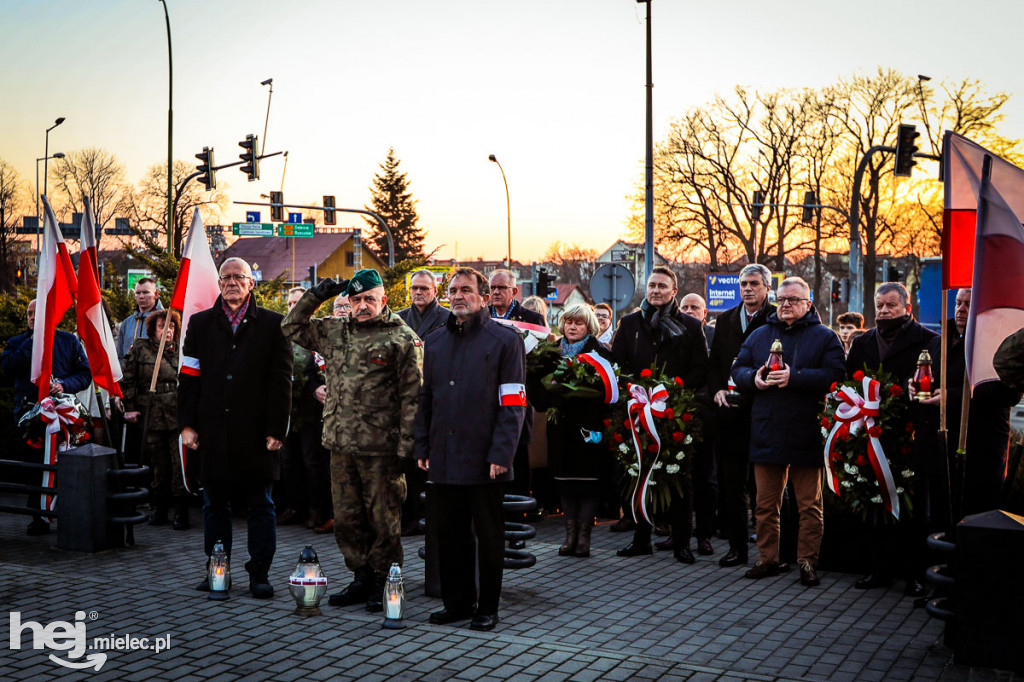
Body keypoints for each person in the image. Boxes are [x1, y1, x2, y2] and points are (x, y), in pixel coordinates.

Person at [283, 268, 423, 613]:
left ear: (383, 300)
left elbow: (413, 397)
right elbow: (290, 327)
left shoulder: (402, 338)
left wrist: (408, 447)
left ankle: (384, 581)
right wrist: (317, 295)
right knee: (347, 519)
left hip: (381, 448)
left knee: (384, 519)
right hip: (341, 443)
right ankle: (360, 576)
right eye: (356, 299)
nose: (362, 306)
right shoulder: (334, 330)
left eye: (369, 299)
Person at [416, 267, 526, 632]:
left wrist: (501, 454)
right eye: (453, 290)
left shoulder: (505, 341)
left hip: (485, 457)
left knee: (489, 536)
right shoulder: (433, 342)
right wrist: (422, 445)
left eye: (466, 290)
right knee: (449, 535)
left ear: (482, 297)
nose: (458, 296)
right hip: (444, 455)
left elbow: (513, 404)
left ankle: (487, 607)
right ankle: (457, 603)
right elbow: (425, 399)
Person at [178, 257, 292, 599]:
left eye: (238, 277)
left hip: (257, 434)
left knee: (261, 505)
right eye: (225, 277)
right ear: (219, 282)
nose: (231, 282)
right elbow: (188, 379)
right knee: (214, 506)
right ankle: (218, 571)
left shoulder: (274, 324)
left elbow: (282, 381)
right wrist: (186, 425)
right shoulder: (199, 325)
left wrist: (277, 429)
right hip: (212, 432)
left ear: (251, 283)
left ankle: (260, 574)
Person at [732, 276, 845, 587]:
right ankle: (768, 558)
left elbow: (835, 374)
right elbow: (737, 368)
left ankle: (808, 561)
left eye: (793, 300)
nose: (785, 305)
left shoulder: (825, 337)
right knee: (765, 505)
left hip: (806, 430)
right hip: (766, 429)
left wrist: (793, 377)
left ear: (808, 303)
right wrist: (753, 377)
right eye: (781, 299)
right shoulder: (759, 334)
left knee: (809, 504)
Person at [845, 282, 941, 596]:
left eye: (891, 306)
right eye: (880, 307)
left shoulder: (929, 341)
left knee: (912, 508)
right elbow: (850, 382)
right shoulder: (863, 342)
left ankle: (913, 573)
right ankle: (879, 569)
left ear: (907, 309)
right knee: (875, 502)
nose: (885, 312)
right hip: (871, 434)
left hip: (911, 434)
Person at [611, 266, 708, 563]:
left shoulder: (690, 327)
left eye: (662, 286)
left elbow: (700, 369)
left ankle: (682, 543)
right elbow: (618, 364)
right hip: (638, 410)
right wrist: (636, 388)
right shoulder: (629, 324)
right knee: (638, 473)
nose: (655, 291)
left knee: (679, 478)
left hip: (675, 413)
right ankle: (641, 539)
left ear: (673, 291)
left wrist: (673, 392)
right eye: (651, 285)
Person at [0, 299, 92, 535]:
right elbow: (7, 367)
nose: (32, 317)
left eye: (37, 313)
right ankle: (37, 517)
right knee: (34, 467)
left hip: (62, 416)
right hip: (31, 415)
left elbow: (84, 374)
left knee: (64, 466)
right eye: (29, 314)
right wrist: (32, 344)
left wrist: (64, 385)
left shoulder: (68, 341)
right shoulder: (18, 342)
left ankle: (65, 514)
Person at [706, 264, 776, 568]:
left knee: (766, 487)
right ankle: (737, 547)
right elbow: (715, 363)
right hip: (731, 414)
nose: (747, 289)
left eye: (754, 284)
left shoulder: (777, 318)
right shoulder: (726, 320)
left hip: (766, 414)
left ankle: (770, 550)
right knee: (732, 484)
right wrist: (717, 390)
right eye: (743, 283)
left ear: (767, 288)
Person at [938, 289, 1021, 517]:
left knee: (979, 512)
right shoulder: (943, 339)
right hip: (949, 440)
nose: (961, 309)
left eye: (967, 304)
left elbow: (1008, 392)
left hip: (983, 444)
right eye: (957, 303)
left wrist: (953, 396)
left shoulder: (997, 343)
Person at [544, 304, 612, 559]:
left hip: (588, 426)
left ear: (589, 327)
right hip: (560, 426)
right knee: (565, 482)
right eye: (569, 322)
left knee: (587, 483)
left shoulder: (599, 352)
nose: (572, 327)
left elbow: (608, 390)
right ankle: (569, 535)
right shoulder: (550, 352)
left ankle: (584, 538)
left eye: (579, 323)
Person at [121, 310, 188, 529]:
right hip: (151, 413)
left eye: (171, 327)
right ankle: (159, 506)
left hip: (177, 413)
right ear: (153, 329)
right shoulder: (141, 348)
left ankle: (181, 508)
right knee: (158, 464)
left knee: (178, 463)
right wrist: (129, 408)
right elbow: (128, 379)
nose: (167, 331)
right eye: (162, 326)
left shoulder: (182, 349)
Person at [276, 288, 332, 533]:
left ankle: (315, 510)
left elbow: (318, 371)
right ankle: (293, 506)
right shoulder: (281, 335)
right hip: (288, 412)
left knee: (312, 463)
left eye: (297, 302)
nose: (292, 307)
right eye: (289, 302)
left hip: (311, 413)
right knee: (288, 463)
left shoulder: (316, 335)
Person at [488, 269, 546, 499]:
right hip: (488, 396)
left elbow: (543, 360)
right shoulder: (481, 316)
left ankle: (520, 504)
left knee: (519, 450)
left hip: (520, 395)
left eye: (501, 288)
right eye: (492, 288)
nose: (495, 292)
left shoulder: (531, 319)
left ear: (514, 291)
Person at [676, 292, 717, 557]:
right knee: (678, 475)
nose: (689, 310)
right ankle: (677, 535)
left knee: (705, 478)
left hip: (706, 413)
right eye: (685, 306)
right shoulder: (673, 333)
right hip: (677, 412)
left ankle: (704, 535)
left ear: (705, 313)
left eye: (695, 307)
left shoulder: (714, 336)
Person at [116, 277, 162, 365]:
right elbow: (120, 355)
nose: (141, 296)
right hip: (130, 377)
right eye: (138, 293)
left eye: (146, 292)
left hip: (156, 377)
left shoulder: (166, 322)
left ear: (156, 294)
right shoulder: (127, 323)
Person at [397, 269, 448, 338]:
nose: (418, 292)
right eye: (414, 288)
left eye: (424, 288)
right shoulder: (398, 319)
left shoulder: (448, 319)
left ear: (435, 291)